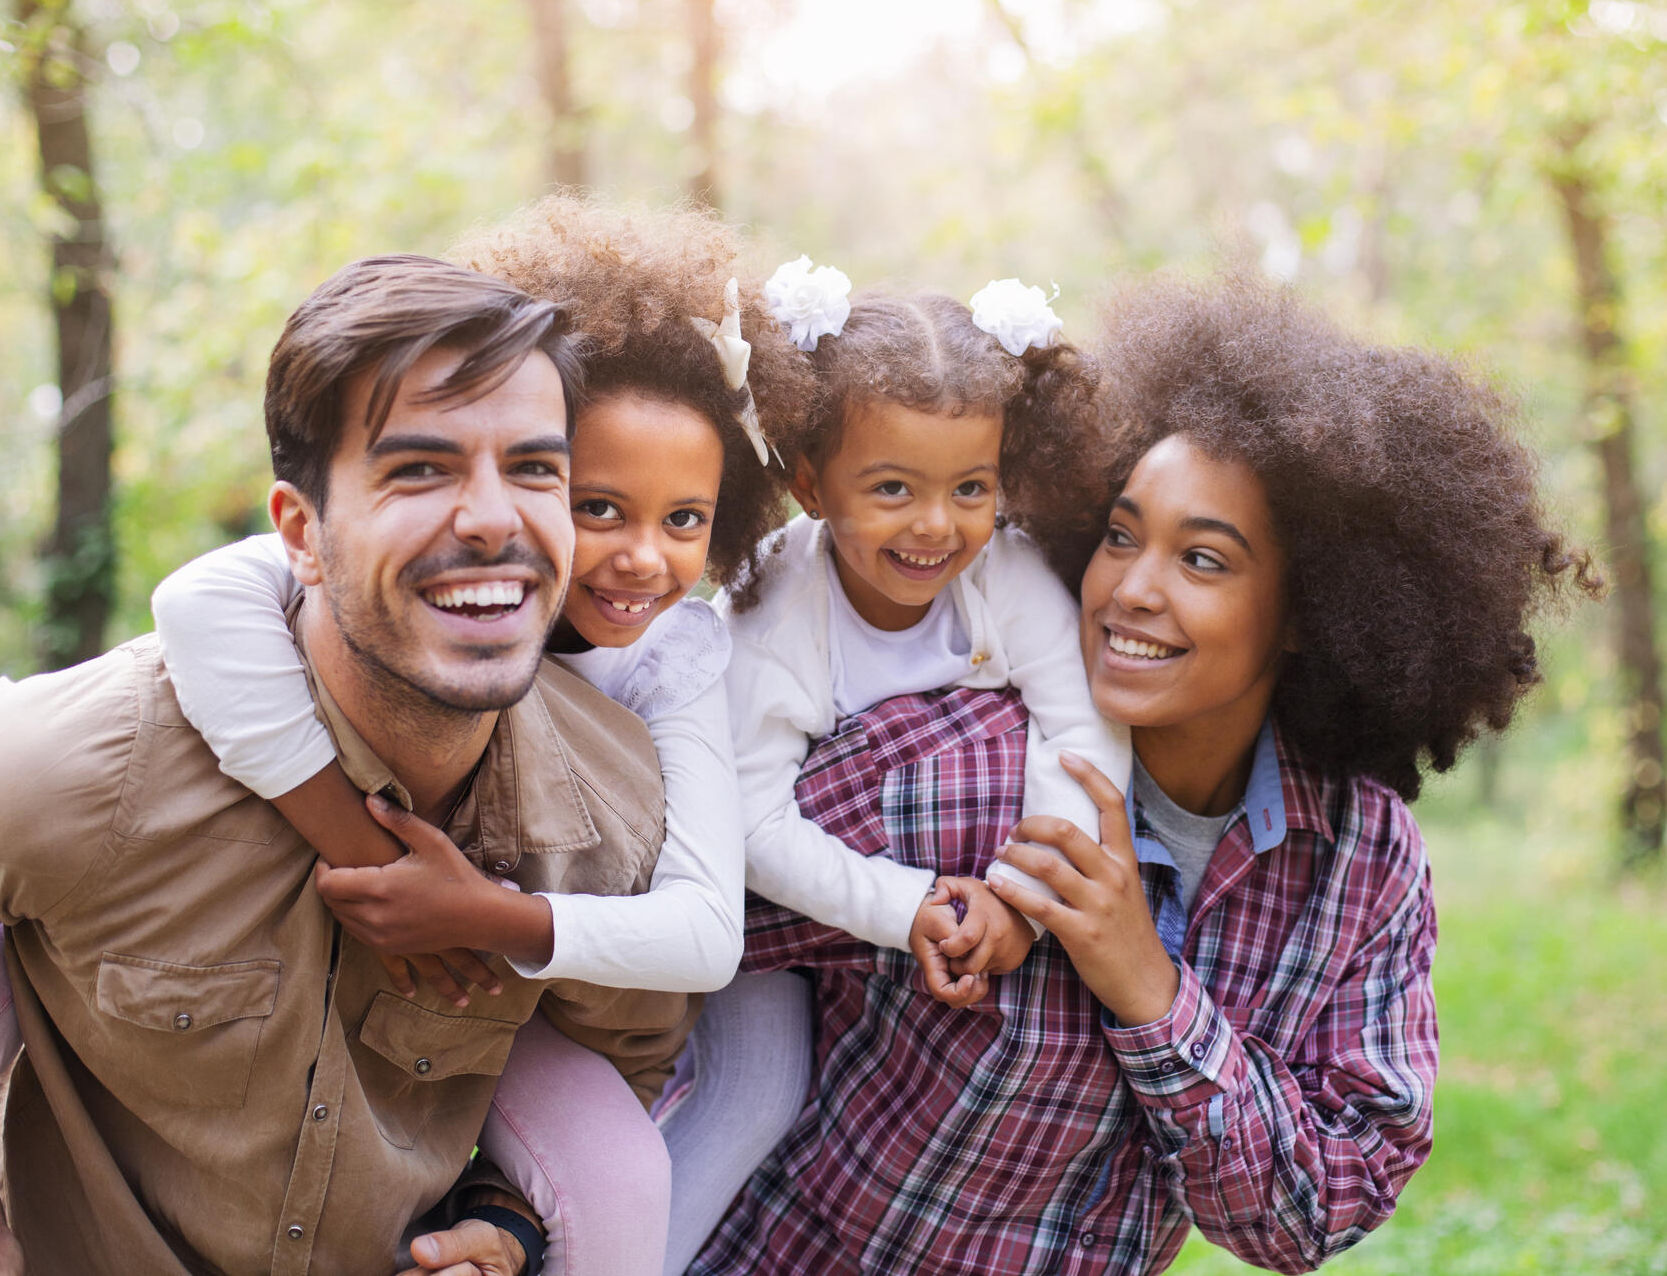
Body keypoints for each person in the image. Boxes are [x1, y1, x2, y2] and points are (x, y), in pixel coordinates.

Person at [683, 267, 1598, 1274]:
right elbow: (697, 906)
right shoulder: (959, 764)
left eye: (1202, 561)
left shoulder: (1359, 861)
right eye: (1121, 537)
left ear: (1309, 611)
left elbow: (1316, 1211)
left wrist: (1151, 991)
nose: (1130, 591)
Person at [0, 254, 692, 1274]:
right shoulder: (76, 770)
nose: (496, 518)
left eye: (537, 469)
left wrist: (505, 1217)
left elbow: (621, 1063)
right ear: (301, 534)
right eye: (420, 468)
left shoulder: (611, 813)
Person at [655, 268, 1132, 1267]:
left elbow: (1080, 734)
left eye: (971, 488)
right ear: (811, 484)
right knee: (753, 1097)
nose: (936, 527)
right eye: (891, 490)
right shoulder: (775, 606)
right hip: (766, 918)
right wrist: (908, 904)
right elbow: (750, 821)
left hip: (942, 912)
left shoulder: (1006, 569)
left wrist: (1019, 896)